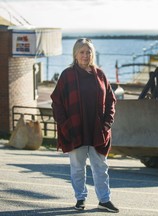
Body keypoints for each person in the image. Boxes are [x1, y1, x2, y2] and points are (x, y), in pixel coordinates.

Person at [50, 38, 119, 213]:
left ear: (92, 54)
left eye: (88, 52)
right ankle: (80, 198)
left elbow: (111, 100)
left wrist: (107, 124)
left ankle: (104, 200)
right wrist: (65, 125)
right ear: (75, 54)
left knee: (101, 168)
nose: (85, 55)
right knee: (77, 168)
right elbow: (56, 102)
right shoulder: (67, 75)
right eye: (81, 52)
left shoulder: (100, 74)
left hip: (98, 130)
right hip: (74, 130)